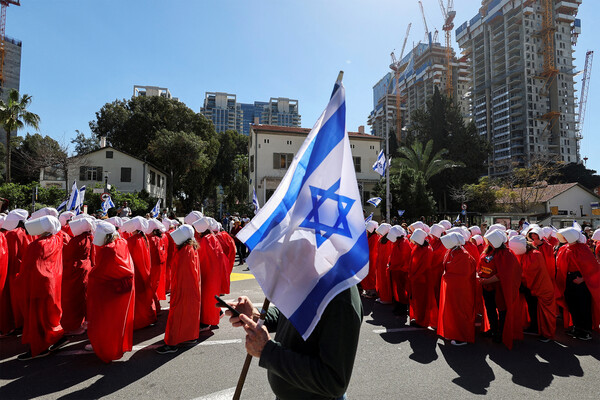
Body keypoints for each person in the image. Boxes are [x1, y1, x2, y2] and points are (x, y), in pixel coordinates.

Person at [225, 285, 363, 400]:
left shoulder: (341, 298)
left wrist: (267, 351)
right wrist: (256, 316)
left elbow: (333, 381)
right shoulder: (311, 276)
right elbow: (288, 312)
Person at [17, 215, 66, 360]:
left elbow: (28, 267)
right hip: (52, 283)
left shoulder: (36, 245)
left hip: (38, 284)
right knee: (50, 314)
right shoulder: (57, 239)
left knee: (37, 317)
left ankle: (39, 349)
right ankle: (57, 337)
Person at [87, 221, 135, 362]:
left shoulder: (107, 250)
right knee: (117, 320)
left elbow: (99, 272)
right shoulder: (121, 242)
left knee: (105, 320)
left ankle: (107, 348)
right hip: (123, 287)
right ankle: (116, 345)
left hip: (110, 289)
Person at [156, 224, 201, 354]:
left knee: (177, 315)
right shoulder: (190, 248)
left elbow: (182, 273)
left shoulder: (186, 250)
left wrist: (176, 291)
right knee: (188, 314)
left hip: (183, 288)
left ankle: (172, 343)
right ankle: (189, 337)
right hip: (189, 288)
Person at [478, 229, 523, 349]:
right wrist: (480, 275)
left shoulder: (507, 254)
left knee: (502, 310)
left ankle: (501, 332)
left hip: (499, 288)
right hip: (487, 287)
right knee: (490, 309)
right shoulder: (487, 251)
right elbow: (481, 265)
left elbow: (504, 274)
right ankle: (493, 330)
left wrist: (487, 280)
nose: (488, 242)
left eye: (491, 241)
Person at [508, 235, 556, 342]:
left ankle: (546, 333)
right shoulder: (526, 254)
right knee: (532, 308)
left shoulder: (535, 255)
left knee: (544, 312)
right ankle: (535, 327)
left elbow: (531, 273)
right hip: (530, 287)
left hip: (539, 288)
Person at [437, 232, 477, 346]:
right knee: (453, 311)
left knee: (461, 311)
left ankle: (462, 336)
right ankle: (454, 332)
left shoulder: (463, 255)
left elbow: (461, 276)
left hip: (461, 290)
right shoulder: (453, 251)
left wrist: (446, 276)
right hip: (454, 288)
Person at [61, 217, 95, 335]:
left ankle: (75, 326)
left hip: (75, 270)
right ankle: (84, 322)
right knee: (83, 297)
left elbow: (68, 255)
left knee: (73, 299)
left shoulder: (77, 240)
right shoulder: (89, 238)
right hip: (85, 268)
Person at [122, 216, 156, 330]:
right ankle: (148, 318)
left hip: (137, 271)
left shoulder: (132, 240)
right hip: (144, 270)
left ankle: (140, 321)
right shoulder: (143, 237)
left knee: (139, 298)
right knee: (145, 296)